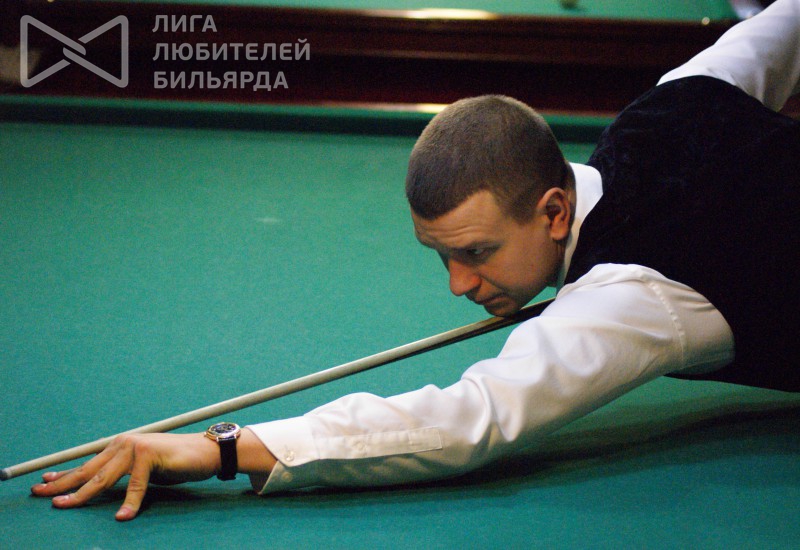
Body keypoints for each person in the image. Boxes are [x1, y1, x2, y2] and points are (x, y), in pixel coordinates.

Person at [31, 0, 800, 521]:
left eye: (476, 253)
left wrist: (221, 448)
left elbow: (469, 421)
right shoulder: (677, 98)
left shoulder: (632, 292)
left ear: (554, 212)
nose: (460, 284)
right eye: (443, 258)